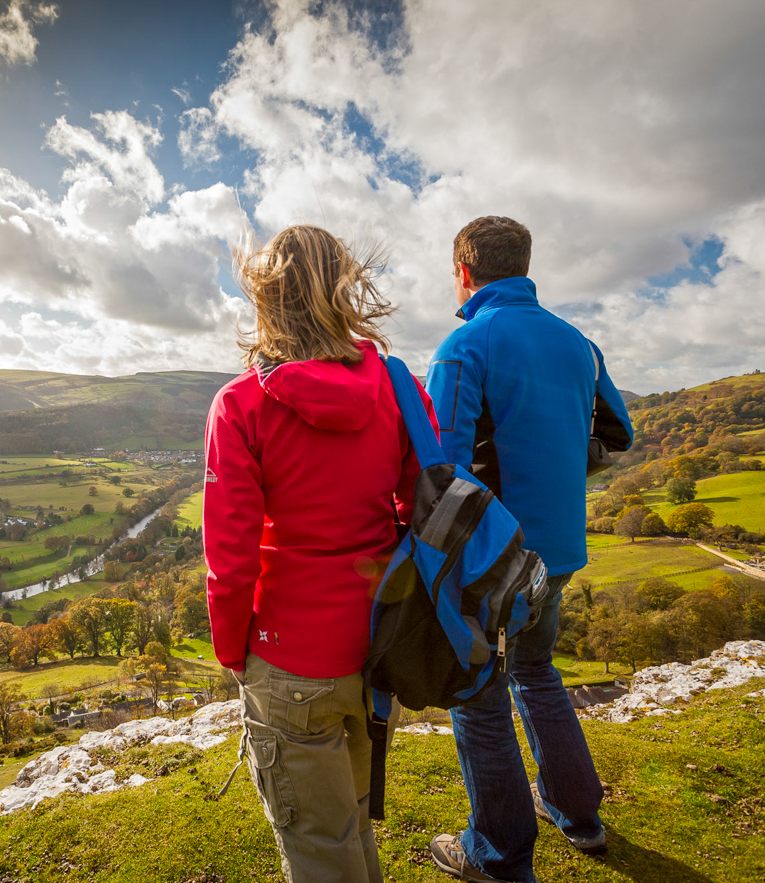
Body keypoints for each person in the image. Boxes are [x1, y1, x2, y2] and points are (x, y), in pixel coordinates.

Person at [202, 224, 437, 883]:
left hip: (287, 657)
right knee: (352, 819)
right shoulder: (395, 383)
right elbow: (425, 504)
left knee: (317, 844)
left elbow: (231, 556)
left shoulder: (240, 404)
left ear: (266, 295)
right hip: (377, 642)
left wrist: (231, 652)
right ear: (344, 288)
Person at [423, 216, 633, 883]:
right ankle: (580, 818)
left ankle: (498, 855)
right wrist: (564, 462)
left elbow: (439, 470)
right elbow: (618, 432)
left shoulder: (465, 345)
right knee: (537, 672)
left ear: (464, 271)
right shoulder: (579, 345)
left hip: (493, 559)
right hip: (562, 551)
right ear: (524, 265)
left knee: (478, 693)